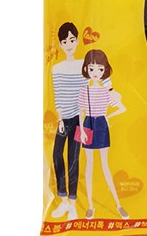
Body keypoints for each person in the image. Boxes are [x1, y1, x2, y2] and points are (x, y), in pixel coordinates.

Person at [77, 49, 127, 219]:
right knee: (89, 165)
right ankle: (91, 206)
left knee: (105, 165)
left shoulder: (107, 91)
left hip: (101, 125)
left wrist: (107, 118)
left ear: (105, 70)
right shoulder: (84, 90)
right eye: (92, 68)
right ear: (86, 69)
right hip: (87, 124)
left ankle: (118, 205)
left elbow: (122, 108)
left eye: (100, 69)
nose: (96, 72)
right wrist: (82, 130)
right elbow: (80, 112)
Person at [49, 22, 84, 220]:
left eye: (72, 40)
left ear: (77, 41)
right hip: (65, 118)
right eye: (65, 41)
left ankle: (72, 204)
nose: (69, 44)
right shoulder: (57, 68)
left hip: (80, 119)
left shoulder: (83, 65)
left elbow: (89, 89)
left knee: (74, 158)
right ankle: (62, 198)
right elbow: (58, 95)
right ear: (61, 44)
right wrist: (61, 118)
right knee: (57, 154)